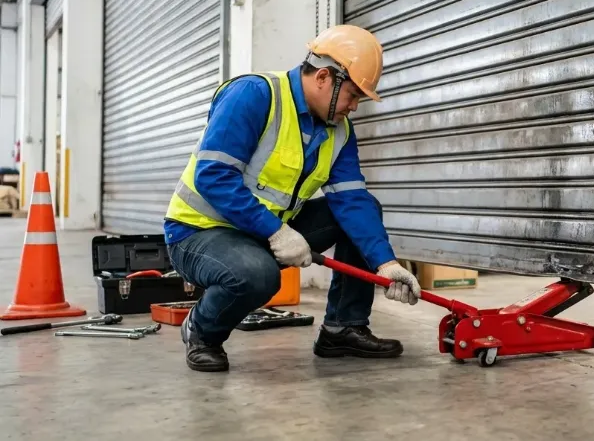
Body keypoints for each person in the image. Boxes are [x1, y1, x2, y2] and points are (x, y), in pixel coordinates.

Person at [163, 24, 421, 372]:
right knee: (258, 274)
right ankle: (202, 332)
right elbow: (213, 176)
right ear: (324, 78)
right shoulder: (254, 95)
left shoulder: (338, 130)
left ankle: (341, 328)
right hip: (199, 232)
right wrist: (275, 231)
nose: (355, 107)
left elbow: (353, 202)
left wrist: (385, 264)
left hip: (263, 232)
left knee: (364, 211)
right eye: (353, 95)